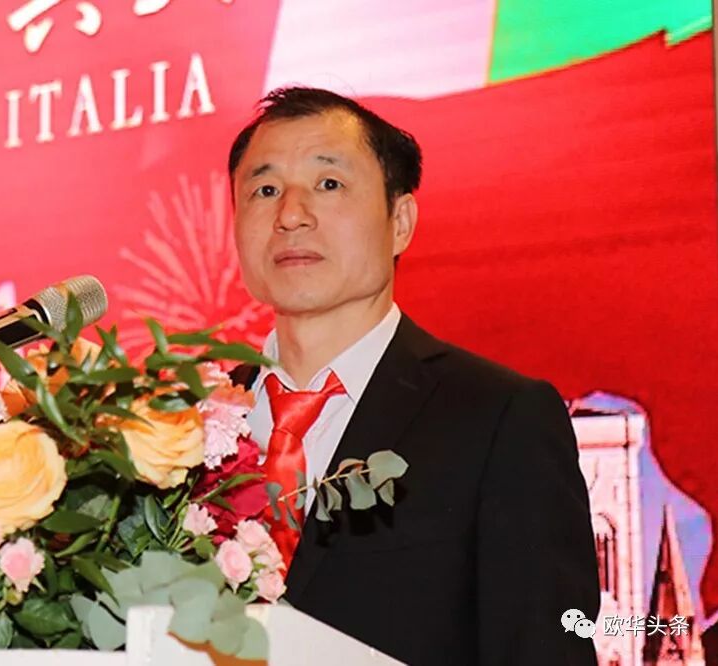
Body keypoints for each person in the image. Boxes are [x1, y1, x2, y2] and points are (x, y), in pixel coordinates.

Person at [227, 87, 600, 665]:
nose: (291, 214)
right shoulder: (180, 427)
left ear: (400, 221)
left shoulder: (498, 420)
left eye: (329, 184)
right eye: (265, 189)